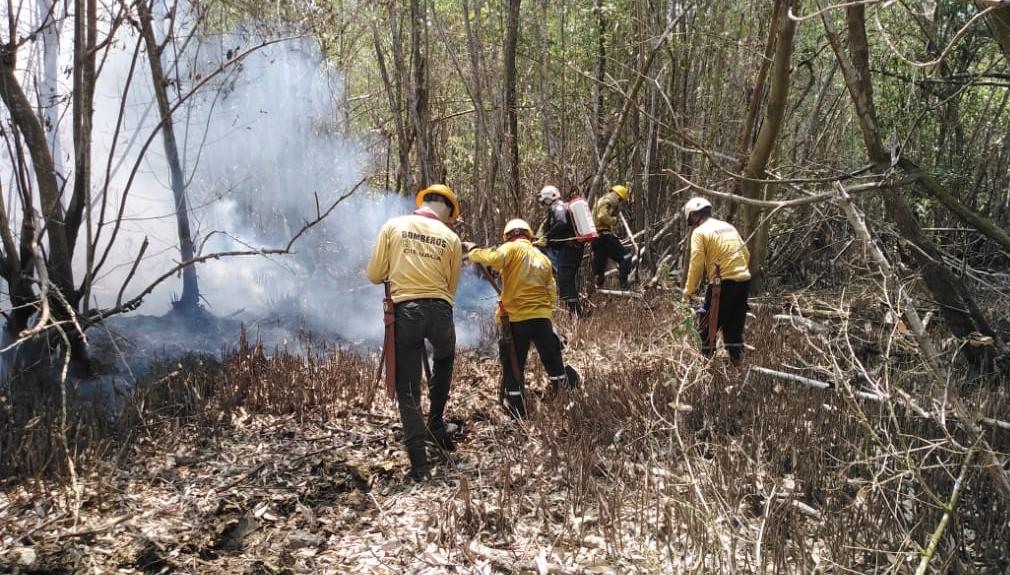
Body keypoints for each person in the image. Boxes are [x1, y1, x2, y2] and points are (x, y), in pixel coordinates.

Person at [366, 184, 463, 482]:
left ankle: (420, 466)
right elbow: (451, 287)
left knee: (408, 388)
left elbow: (374, 275)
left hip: (406, 312)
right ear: (447, 210)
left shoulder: (393, 226)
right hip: (440, 312)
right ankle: (435, 423)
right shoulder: (451, 238)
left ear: (425, 202)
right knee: (445, 358)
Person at [465, 219, 572, 418]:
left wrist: (473, 252)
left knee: (514, 362)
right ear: (529, 235)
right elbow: (551, 289)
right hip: (541, 318)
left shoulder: (511, 248)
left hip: (516, 320)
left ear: (508, 236)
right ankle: (563, 396)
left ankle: (516, 408)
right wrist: (544, 311)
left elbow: (494, 258)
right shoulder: (542, 257)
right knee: (552, 357)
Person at [681, 197, 752, 364]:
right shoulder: (728, 226)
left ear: (693, 215)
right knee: (733, 329)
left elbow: (696, 264)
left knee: (706, 327)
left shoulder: (700, 232)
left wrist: (688, 290)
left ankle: (706, 366)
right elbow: (746, 254)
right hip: (744, 280)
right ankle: (736, 364)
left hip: (722, 284)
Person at [534, 185, 584, 315]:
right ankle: (576, 313)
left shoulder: (558, 207)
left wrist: (547, 237)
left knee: (565, 281)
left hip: (570, 250)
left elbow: (561, 224)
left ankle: (577, 314)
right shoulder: (556, 208)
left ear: (550, 197)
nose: (544, 203)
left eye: (545, 200)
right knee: (565, 280)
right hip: (569, 251)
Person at [591, 184, 633, 290]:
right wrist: (613, 220)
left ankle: (596, 291)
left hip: (596, 238)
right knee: (626, 257)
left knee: (600, 267)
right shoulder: (607, 202)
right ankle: (624, 285)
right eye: (621, 201)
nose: (620, 204)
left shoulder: (601, 201)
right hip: (605, 237)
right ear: (618, 197)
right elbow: (602, 216)